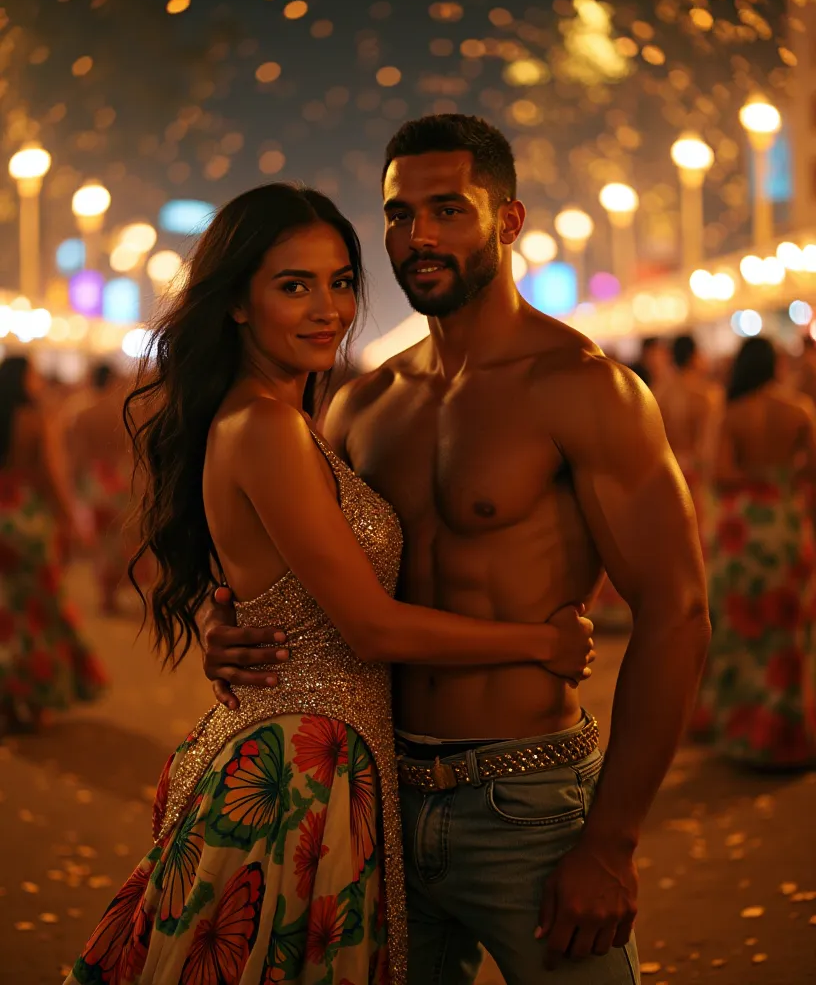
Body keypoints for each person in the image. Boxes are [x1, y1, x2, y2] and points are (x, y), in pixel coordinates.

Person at [204, 115, 710, 985]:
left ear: (507, 222)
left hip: (527, 805)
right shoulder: (363, 405)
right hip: (371, 803)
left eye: (449, 210)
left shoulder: (584, 388)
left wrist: (612, 842)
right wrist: (236, 630)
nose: (419, 238)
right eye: (400, 215)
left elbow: (678, 614)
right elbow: (312, 579)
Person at [65, 183, 596, 985]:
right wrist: (543, 642)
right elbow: (371, 628)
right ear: (237, 303)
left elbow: (270, 582)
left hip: (322, 761)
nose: (328, 308)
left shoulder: (297, 419)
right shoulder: (269, 425)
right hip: (296, 777)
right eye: (293, 285)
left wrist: (224, 617)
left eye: (341, 281)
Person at [692, 337, 816, 766]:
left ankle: (742, 732)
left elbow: (721, 474)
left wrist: (753, 476)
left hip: (742, 532)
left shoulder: (731, 413)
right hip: (785, 524)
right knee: (786, 632)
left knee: (740, 629)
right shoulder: (800, 409)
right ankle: (785, 735)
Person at [0, 355, 105, 733]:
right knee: (40, 610)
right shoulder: (35, 418)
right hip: (27, 515)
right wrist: (69, 520)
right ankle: (36, 696)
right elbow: (50, 472)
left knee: (5, 612)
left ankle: (6, 701)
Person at [70, 362, 134, 614]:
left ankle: (105, 595)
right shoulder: (122, 413)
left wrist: (76, 484)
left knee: (101, 541)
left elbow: (79, 455)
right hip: (118, 481)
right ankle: (112, 593)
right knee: (117, 540)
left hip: (94, 481)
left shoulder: (83, 414)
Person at [654, 334, 723, 541]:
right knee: (700, 535)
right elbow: (709, 444)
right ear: (694, 356)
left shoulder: (659, 392)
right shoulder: (709, 394)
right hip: (698, 474)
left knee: (675, 539)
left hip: (668, 471)